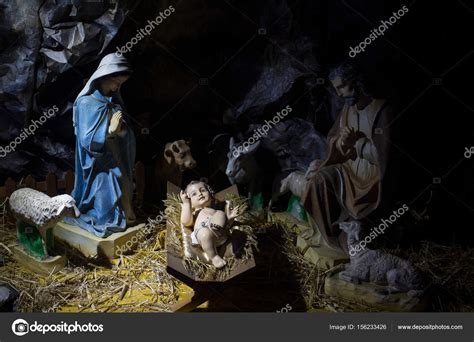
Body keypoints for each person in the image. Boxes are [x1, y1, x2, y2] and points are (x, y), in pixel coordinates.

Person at [302, 62, 394, 255]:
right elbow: (332, 138)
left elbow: (385, 156)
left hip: (371, 182)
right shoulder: (347, 110)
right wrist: (340, 144)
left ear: (356, 82)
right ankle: (331, 238)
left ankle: (348, 240)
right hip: (348, 172)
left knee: (360, 229)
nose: (339, 94)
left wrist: (357, 145)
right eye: (336, 89)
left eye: (342, 86)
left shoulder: (380, 110)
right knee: (317, 181)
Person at [65, 53, 136, 237]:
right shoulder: (86, 102)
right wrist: (110, 131)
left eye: (120, 85)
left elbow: (126, 133)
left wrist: (120, 131)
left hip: (115, 155)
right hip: (96, 165)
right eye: (116, 83)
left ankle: (125, 214)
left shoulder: (113, 102)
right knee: (107, 200)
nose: (117, 88)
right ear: (104, 77)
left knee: (125, 183)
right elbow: (86, 141)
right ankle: (106, 216)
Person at [180, 181, 242, 268]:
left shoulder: (215, 210)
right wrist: (186, 204)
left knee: (221, 213)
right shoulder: (194, 212)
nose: (200, 194)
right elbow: (186, 222)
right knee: (205, 234)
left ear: (211, 194)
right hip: (204, 233)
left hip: (220, 232)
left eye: (203, 190)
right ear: (190, 201)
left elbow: (226, 224)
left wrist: (230, 218)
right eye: (194, 194)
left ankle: (215, 228)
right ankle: (214, 257)